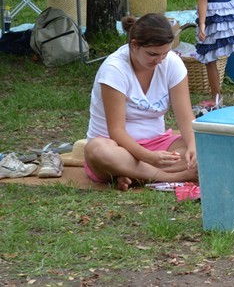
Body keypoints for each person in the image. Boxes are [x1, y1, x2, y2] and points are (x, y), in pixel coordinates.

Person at [83, 14, 197, 191]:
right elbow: (117, 132)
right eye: (152, 54)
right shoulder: (114, 69)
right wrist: (149, 157)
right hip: (117, 147)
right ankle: (174, 177)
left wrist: (193, 147)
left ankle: (132, 174)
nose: (159, 60)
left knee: (207, 145)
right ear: (134, 45)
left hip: (158, 144)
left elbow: (185, 117)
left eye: (165, 53)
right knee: (98, 150)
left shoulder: (172, 63)